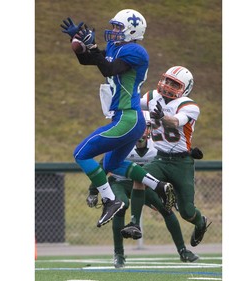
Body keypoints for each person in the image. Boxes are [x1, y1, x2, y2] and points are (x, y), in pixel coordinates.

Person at [60, 9, 175, 228]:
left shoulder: (136, 51)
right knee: (113, 163)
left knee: (81, 154)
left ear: (132, 30)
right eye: (113, 26)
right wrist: (78, 44)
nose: (113, 30)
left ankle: (110, 200)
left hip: (128, 118)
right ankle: (158, 186)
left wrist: (92, 47)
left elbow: (110, 68)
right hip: (126, 119)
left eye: (118, 27)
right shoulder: (117, 47)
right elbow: (90, 61)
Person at [86, 112, 201, 268]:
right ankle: (118, 254)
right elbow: (103, 166)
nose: (142, 131)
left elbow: (170, 162)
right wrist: (93, 191)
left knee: (166, 209)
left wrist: (188, 152)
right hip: (120, 183)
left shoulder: (158, 145)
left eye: (145, 127)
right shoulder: (122, 143)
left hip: (143, 185)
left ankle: (182, 251)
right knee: (121, 204)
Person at [122, 66, 211, 247]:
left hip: (182, 163)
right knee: (139, 178)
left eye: (174, 83)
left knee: (187, 212)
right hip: (161, 159)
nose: (167, 85)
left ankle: (201, 222)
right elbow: (132, 105)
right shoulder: (153, 96)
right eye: (167, 80)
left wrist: (162, 117)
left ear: (185, 88)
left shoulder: (189, 105)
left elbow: (176, 121)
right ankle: (134, 224)